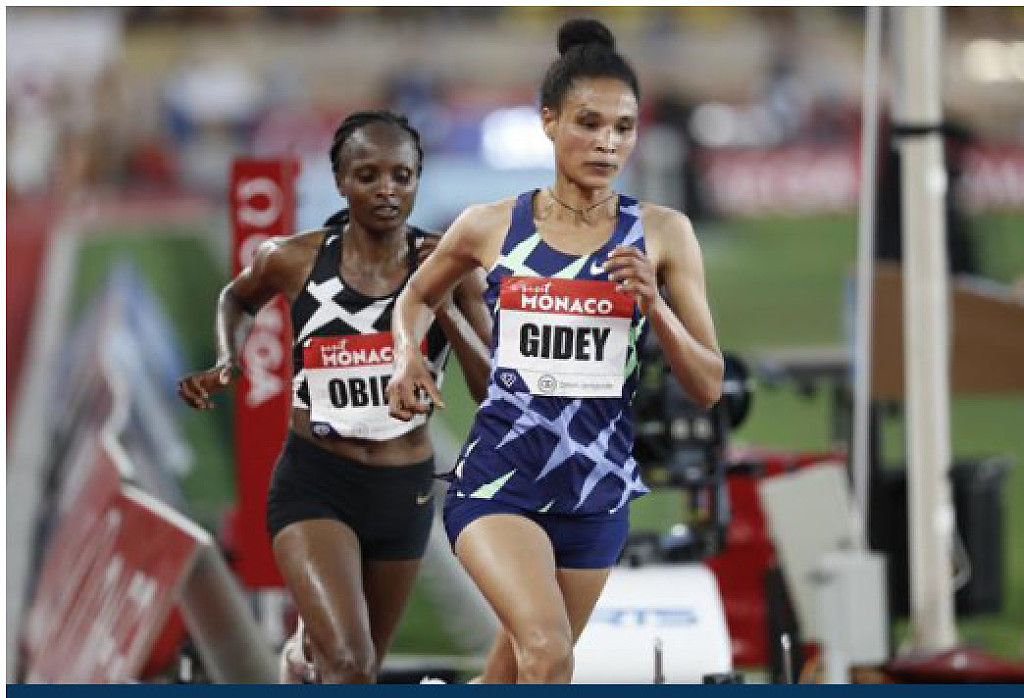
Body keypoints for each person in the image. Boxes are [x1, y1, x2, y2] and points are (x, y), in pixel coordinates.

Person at [387, 19, 724, 684]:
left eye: (623, 127)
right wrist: (406, 354)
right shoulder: (490, 225)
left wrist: (654, 305)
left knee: (514, 670)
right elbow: (417, 294)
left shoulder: (664, 234)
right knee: (548, 652)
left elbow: (709, 385)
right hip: (500, 483)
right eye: (588, 123)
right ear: (549, 121)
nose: (607, 142)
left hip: (596, 494)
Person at [176, 110, 491, 684]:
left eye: (401, 176)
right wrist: (227, 361)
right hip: (317, 481)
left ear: (418, 181)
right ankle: (316, 656)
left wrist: (440, 302)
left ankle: (304, 657)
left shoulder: (450, 263)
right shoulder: (293, 258)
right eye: (368, 175)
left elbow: (490, 385)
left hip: (404, 491)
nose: (387, 190)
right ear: (342, 182)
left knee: (359, 668)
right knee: (349, 664)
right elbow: (237, 298)